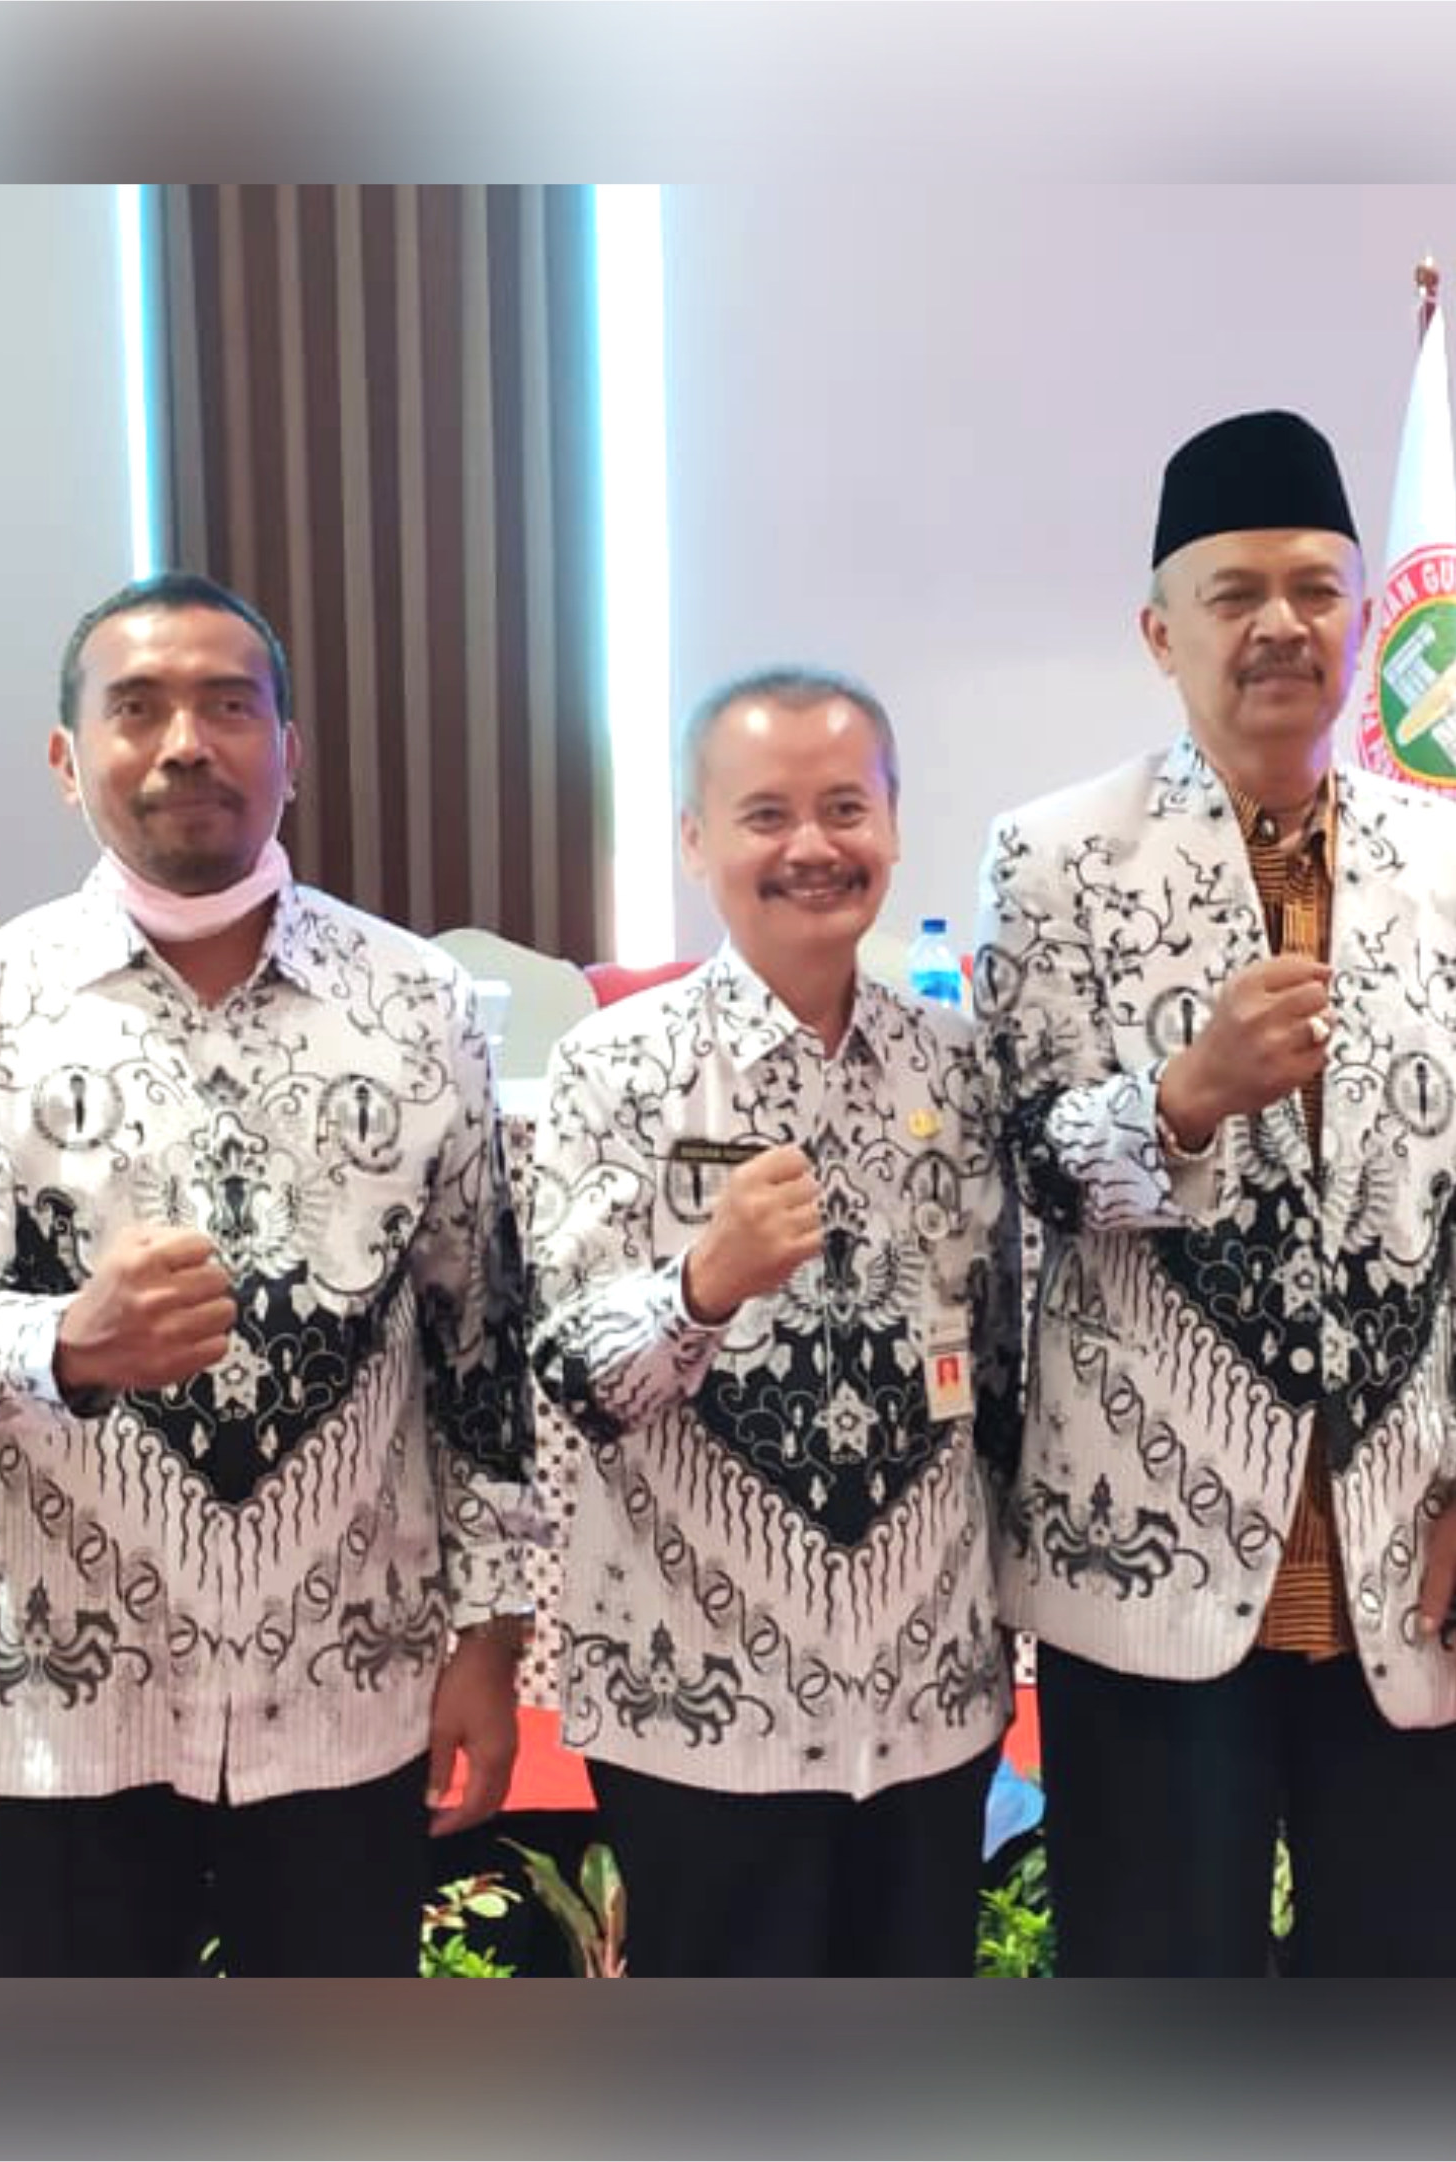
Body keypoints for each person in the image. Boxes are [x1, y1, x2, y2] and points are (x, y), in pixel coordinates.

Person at [969, 408, 1456, 1976]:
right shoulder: (1051, 862)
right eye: (1235, 592)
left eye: (1316, 589)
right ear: (1160, 631)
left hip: (1413, 1547)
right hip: (1143, 1549)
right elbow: (1023, 1169)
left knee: (1403, 1986)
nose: (1280, 626)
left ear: (1366, 616)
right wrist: (1181, 1098)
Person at [0, 571, 539, 1977]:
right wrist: (67, 1344)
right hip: (63, 1700)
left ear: (289, 750)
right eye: (138, 709)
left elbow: (477, 1341)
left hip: (349, 1683)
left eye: (230, 707)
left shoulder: (416, 1005)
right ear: (68, 761)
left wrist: (490, 1635)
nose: (187, 742)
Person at [528, 665, 1016, 1976]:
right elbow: (568, 1375)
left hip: (927, 1695)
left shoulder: (960, 1067)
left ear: (893, 825)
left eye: (845, 807)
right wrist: (700, 1285)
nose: (811, 846)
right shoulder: (616, 1066)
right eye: (765, 815)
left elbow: (1001, 1366)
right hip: (700, 1702)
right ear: (696, 841)